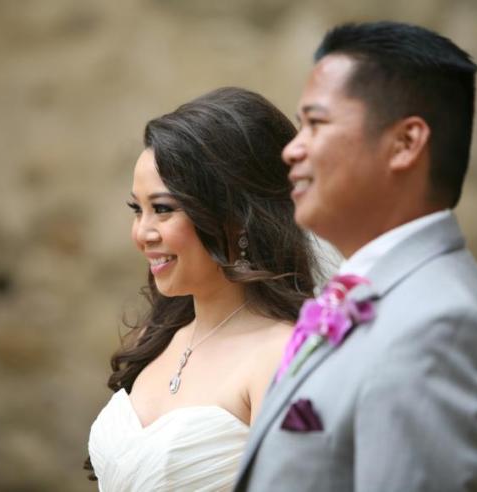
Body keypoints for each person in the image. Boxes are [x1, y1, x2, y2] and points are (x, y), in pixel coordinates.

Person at [234, 21, 477, 491]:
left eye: (315, 123)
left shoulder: (437, 329)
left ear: (406, 143)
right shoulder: (381, 296)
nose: (292, 150)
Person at [86, 87, 317, 491]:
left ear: (235, 218)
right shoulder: (157, 337)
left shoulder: (280, 355)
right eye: (137, 210)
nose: (142, 233)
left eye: (162, 209)